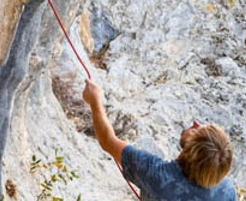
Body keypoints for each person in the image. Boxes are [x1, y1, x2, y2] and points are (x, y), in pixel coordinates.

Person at [81, 79, 236, 201]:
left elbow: (107, 141)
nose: (196, 123)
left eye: (196, 131)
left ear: (189, 151)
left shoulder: (157, 175)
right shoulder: (226, 191)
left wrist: (95, 100)